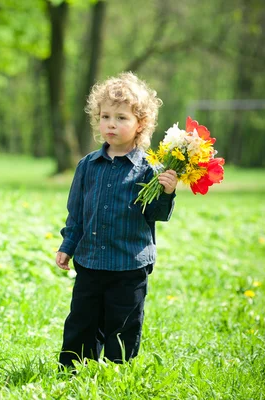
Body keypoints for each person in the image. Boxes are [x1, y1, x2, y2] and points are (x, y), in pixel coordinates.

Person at [55, 72, 177, 369]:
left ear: (140, 125)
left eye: (121, 118)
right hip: (91, 261)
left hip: (129, 265)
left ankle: (115, 372)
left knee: (123, 324)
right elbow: (77, 213)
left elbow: (157, 215)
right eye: (105, 116)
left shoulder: (150, 169)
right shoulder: (87, 166)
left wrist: (167, 191)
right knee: (82, 319)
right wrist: (67, 245)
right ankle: (73, 369)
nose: (111, 124)